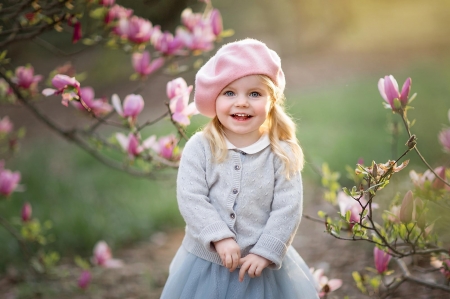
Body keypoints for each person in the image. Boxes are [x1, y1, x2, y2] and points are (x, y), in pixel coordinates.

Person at [160, 38, 319, 299]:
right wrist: (219, 237)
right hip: (205, 264)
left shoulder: (281, 152)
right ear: (214, 98)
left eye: (254, 94)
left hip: (260, 268)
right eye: (229, 92)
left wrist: (265, 251)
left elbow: (287, 207)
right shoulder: (200, 147)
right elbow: (191, 198)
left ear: (272, 101)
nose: (242, 102)